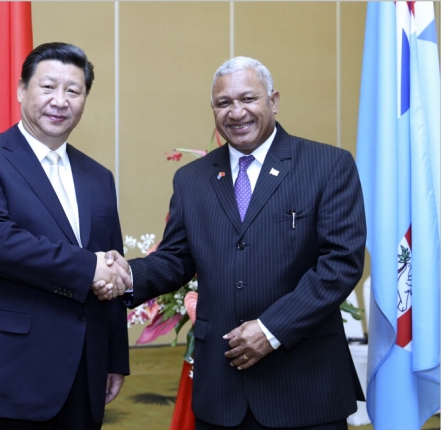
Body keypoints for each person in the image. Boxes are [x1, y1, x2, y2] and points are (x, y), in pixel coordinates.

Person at [95, 57, 367, 430]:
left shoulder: (328, 165)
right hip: (222, 391)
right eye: (224, 103)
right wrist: (125, 275)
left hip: (304, 384)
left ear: (274, 101)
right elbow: (176, 259)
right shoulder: (192, 180)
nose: (236, 112)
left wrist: (271, 329)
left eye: (248, 98)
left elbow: (340, 265)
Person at [0, 42, 132, 430]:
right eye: (48, 87)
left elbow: (112, 264)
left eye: (73, 90)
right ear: (21, 90)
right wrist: (89, 267)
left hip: (86, 369)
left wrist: (116, 357)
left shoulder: (99, 177)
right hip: (12, 368)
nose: (60, 101)